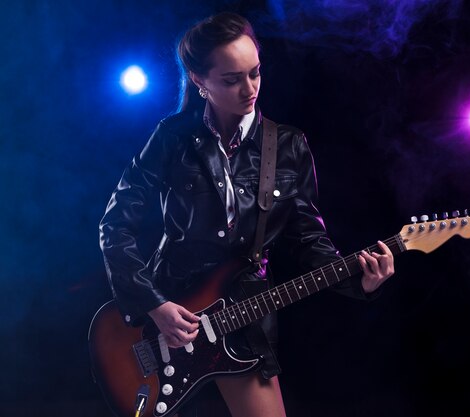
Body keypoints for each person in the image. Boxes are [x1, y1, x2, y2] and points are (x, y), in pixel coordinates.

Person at [99, 11, 395, 417]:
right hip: (165, 317)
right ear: (199, 80)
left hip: (243, 322)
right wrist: (154, 305)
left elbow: (309, 240)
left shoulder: (288, 145)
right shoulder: (172, 136)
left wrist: (362, 281)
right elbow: (115, 227)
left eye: (255, 73)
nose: (250, 88)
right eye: (232, 79)